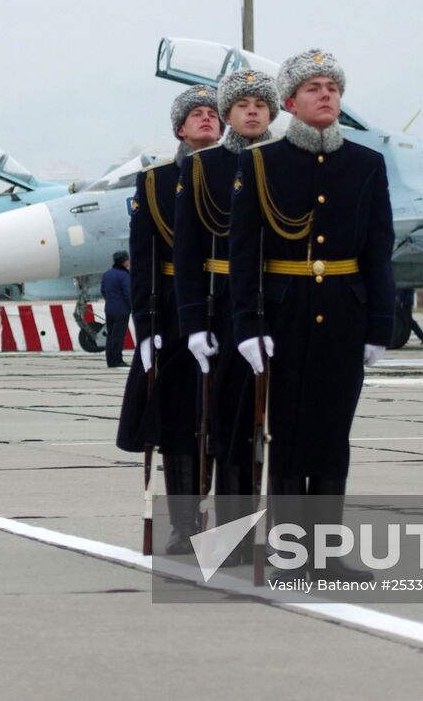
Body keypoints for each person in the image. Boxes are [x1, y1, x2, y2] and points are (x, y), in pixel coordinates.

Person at [229, 49, 395, 581]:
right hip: (284, 316)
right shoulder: (261, 163)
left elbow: (377, 247)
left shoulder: (366, 164)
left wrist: (379, 325)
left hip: (344, 314)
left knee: (331, 434)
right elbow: (244, 252)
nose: (327, 95)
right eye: (314, 88)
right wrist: (248, 325)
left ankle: (326, 553)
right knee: (289, 434)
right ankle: (289, 552)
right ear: (290, 102)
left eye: (333, 87)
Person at [173, 68, 279, 542]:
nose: (253, 109)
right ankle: (232, 536)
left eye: (262, 102)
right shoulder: (206, 168)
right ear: (228, 114)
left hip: (288, 309)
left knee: (290, 430)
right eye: (242, 103)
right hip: (225, 312)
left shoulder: (292, 161)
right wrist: (195, 322)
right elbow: (189, 253)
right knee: (232, 426)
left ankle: (292, 538)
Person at [116, 84, 221, 553]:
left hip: (230, 308)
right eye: (196, 114)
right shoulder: (156, 183)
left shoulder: (247, 173)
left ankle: (228, 527)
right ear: (180, 128)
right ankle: (184, 525)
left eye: (213, 114)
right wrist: (146, 330)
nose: (206, 119)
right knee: (180, 425)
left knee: (228, 423)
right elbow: (144, 262)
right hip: (176, 316)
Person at [100, 251, 132, 368]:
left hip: (109, 308)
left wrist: (110, 300)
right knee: (118, 336)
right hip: (122, 310)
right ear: (124, 261)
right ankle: (118, 360)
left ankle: (110, 360)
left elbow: (103, 290)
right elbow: (128, 293)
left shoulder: (107, 274)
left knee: (110, 335)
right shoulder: (124, 275)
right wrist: (132, 307)